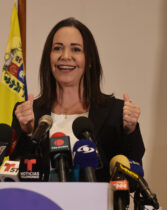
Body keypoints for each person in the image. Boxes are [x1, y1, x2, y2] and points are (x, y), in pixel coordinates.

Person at [10, 17, 144, 182]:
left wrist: (129, 131)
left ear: (89, 60)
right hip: (42, 207)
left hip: (98, 207)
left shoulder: (115, 112)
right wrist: (28, 133)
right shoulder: (29, 113)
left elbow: (134, 172)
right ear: (49, 57)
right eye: (58, 48)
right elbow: (16, 176)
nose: (65, 56)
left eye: (76, 49)